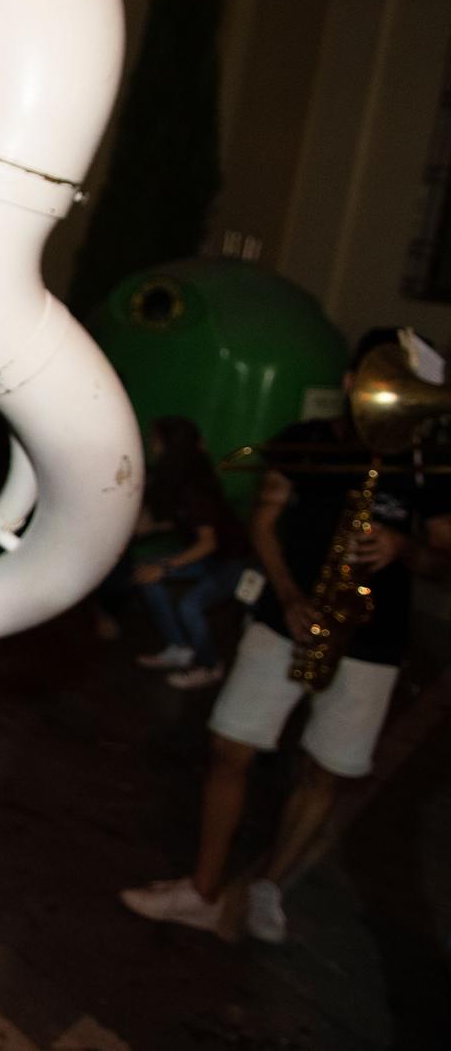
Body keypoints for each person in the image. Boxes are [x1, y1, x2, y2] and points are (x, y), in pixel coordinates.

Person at [119, 330, 450, 946]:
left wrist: (404, 548)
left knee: (325, 771)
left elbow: (442, 557)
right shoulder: (304, 443)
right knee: (231, 746)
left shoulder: (424, 466)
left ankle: (269, 882)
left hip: (374, 642)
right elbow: (265, 520)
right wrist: (293, 597)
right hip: (284, 617)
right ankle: (204, 889)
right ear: (353, 382)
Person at [128, 415, 251, 688]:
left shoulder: (195, 485)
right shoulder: (181, 477)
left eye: (156, 440)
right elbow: (185, 520)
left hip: (232, 561)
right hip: (210, 556)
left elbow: (208, 542)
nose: (152, 446)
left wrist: (165, 566)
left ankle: (210, 666)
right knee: (146, 573)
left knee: (190, 605)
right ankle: (180, 649)